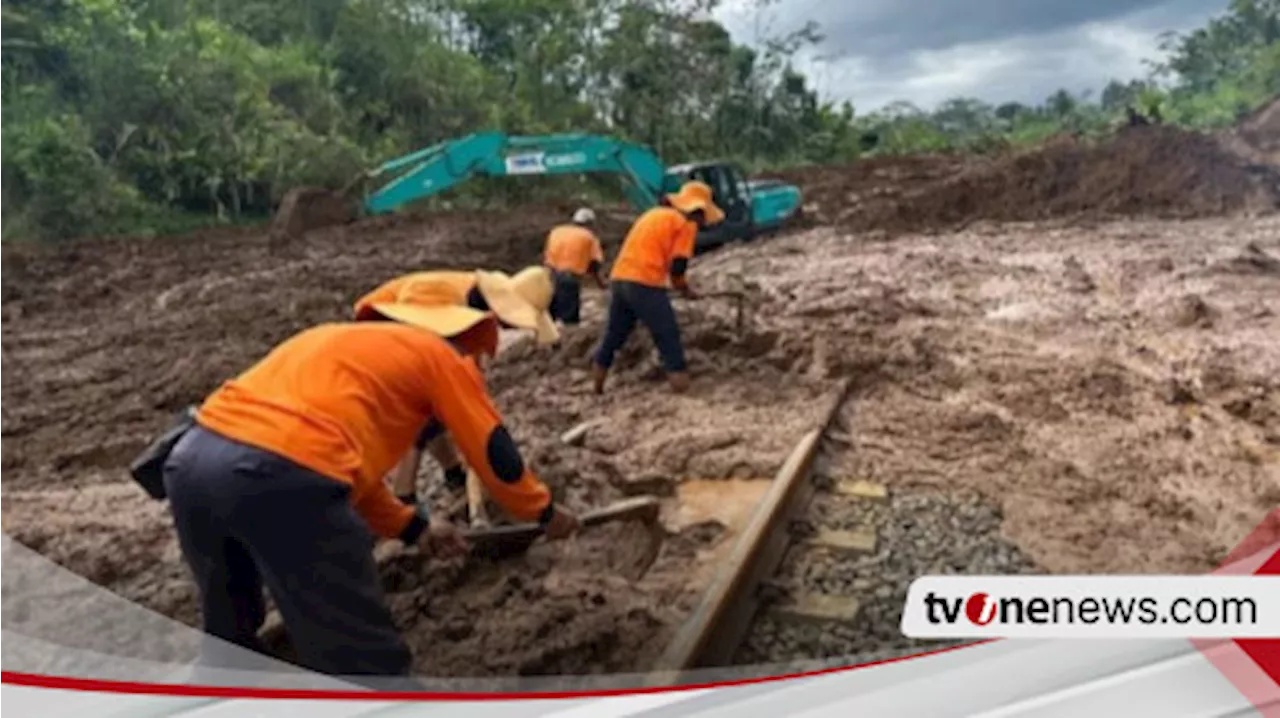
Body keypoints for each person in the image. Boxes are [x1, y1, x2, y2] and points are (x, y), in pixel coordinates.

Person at [162, 299, 580, 680]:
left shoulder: (338, 342)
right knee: (361, 662)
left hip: (191, 461)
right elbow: (495, 454)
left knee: (229, 639)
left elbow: (342, 472)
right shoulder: (440, 356)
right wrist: (544, 512)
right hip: (278, 477)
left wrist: (414, 529)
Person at [352, 267, 558, 508]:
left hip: (411, 337)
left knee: (439, 408)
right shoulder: (444, 292)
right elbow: (412, 327)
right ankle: (403, 496)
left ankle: (453, 474)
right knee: (421, 410)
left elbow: (469, 371)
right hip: (381, 331)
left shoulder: (476, 306)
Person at [591, 181, 724, 395]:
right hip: (645, 283)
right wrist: (684, 289)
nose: (701, 223)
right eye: (702, 217)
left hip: (620, 279)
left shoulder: (652, 215)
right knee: (667, 335)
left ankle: (597, 387)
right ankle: (682, 388)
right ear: (697, 210)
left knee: (613, 335)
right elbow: (678, 267)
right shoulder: (684, 224)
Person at [543, 208, 607, 326]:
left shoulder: (557, 231)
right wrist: (601, 283)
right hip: (570, 280)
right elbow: (595, 264)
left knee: (548, 319)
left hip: (550, 278)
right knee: (570, 323)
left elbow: (548, 256)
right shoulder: (589, 237)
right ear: (590, 223)